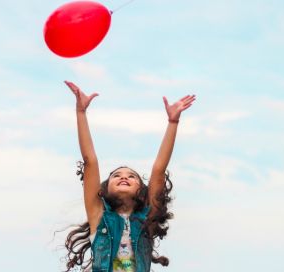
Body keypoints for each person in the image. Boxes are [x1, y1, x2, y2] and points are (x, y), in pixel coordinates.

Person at [63, 81, 195, 272]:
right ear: (104, 189)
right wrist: (81, 113)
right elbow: (90, 160)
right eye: (116, 175)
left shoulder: (146, 220)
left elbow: (159, 170)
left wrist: (173, 122)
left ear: (141, 190)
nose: (123, 177)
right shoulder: (99, 217)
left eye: (131, 176)